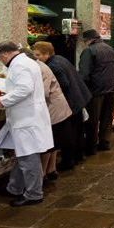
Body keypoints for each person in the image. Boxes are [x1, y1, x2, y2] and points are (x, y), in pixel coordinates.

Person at [0, 41, 53, 206]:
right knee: (23, 155)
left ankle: (34, 194)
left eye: (0, 59)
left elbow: (24, 89)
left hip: (27, 118)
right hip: (28, 116)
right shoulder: (27, 62)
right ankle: (15, 188)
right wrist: (4, 98)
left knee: (28, 156)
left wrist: (3, 100)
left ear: (4, 55)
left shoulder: (19, 65)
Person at [32, 41, 92, 171]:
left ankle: (68, 161)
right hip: (79, 97)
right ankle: (78, 156)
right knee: (77, 131)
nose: (35, 58)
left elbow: (63, 83)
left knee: (68, 134)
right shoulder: (60, 58)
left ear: (47, 54)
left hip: (71, 101)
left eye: (37, 55)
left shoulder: (52, 65)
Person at [24, 49, 72, 182]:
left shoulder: (39, 69)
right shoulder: (41, 66)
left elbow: (42, 93)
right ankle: (51, 170)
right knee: (54, 141)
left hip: (53, 109)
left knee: (47, 142)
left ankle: (43, 173)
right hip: (57, 108)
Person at [78, 29, 114, 154]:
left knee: (92, 120)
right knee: (106, 117)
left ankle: (91, 147)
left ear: (88, 40)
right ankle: (105, 142)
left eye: (84, 41)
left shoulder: (89, 51)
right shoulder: (109, 48)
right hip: (110, 89)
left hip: (95, 91)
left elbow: (84, 74)